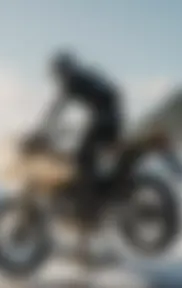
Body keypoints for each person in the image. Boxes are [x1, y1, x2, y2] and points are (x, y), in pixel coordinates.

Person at [42, 50, 123, 199]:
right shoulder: (85, 77)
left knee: (81, 157)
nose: (57, 77)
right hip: (111, 119)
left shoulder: (74, 80)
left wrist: (43, 130)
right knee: (87, 154)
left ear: (63, 69)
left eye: (57, 72)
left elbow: (58, 107)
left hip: (103, 120)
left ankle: (90, 198)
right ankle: (95, 191)